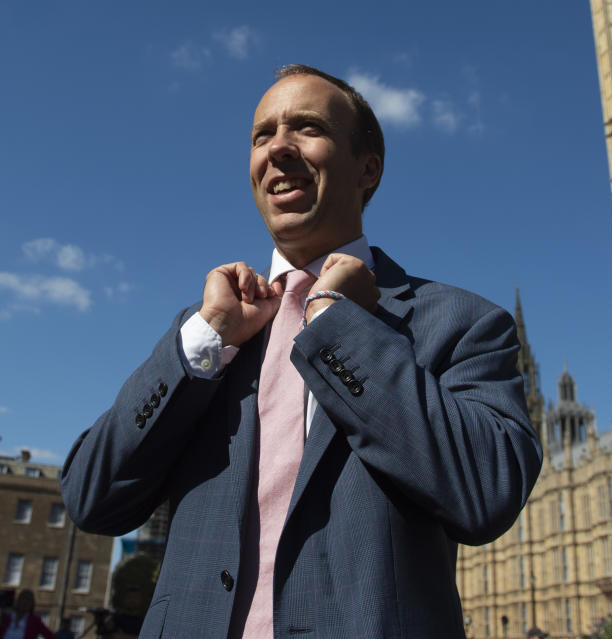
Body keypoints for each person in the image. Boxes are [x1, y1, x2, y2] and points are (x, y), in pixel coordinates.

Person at [60, 64, 542, 639]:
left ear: (368, 168)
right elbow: (92, 500)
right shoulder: (211, 333)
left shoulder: (463, 324)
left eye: (307, 128)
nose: (278, 148)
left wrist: (342, 329)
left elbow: (485, 495)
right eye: (262, 135)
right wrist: (207, 338)